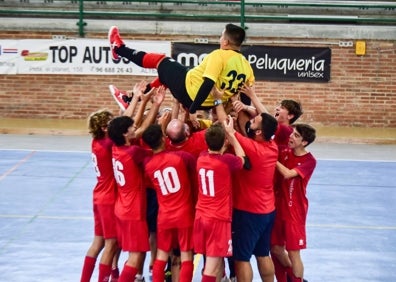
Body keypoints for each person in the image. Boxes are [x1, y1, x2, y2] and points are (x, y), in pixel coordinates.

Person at [108, 23, 255, 115]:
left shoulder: (220, 55)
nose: (219, 39)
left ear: (225, 41)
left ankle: (119, 49)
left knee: (161, 61)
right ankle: (129, 98)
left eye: (221, 36)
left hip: (189, 92)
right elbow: (246, 97)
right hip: (207, 102)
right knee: (165, 77)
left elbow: (208, 84)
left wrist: (192, 108)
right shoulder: (247, 66)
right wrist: (245, 113)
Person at [107, 87, 165, 282]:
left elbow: (135, 127)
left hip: (121, 208)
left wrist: (140, 102)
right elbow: (144, 130)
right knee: (136, 255)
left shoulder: (116, 147)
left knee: (132, 253)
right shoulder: (133, 153)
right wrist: (155, 106)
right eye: (130, 129)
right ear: (125, 134)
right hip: (133, 212)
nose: (134, 129)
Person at [194, 113, 250, 282]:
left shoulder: (201, 157)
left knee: (214, 259)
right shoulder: (227, 161)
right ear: (225, 143)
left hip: (201, 215)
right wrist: (232, 135)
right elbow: (244, 160)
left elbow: (213, 147)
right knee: (211, 265)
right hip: (217, 218)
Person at [141, 124, 197, 282]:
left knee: (161, 255)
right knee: (186, 255)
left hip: (164, 215)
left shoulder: (148, 165)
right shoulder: (182, 157)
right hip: (184, 214)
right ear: (163, 139)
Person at [270, 124, 317, 282]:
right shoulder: (283, 151)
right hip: (277, 208)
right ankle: (293, 277)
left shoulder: (309, 161)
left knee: (293, 252)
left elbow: (288, 174)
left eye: (296, 136)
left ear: (304, 142)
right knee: (275, 249)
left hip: (295, 212)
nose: (291, 137)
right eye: (292, 134)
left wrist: (270, 158)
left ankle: (296, 279)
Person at [80, 109, 119, 282]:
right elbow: (123, 128)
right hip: (109, 197)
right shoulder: (108, 143)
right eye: (111, 122)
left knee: (98, 242)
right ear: (104, 127)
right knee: (111, 243)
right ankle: (104, 278)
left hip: (98, 195)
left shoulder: (96, 141)